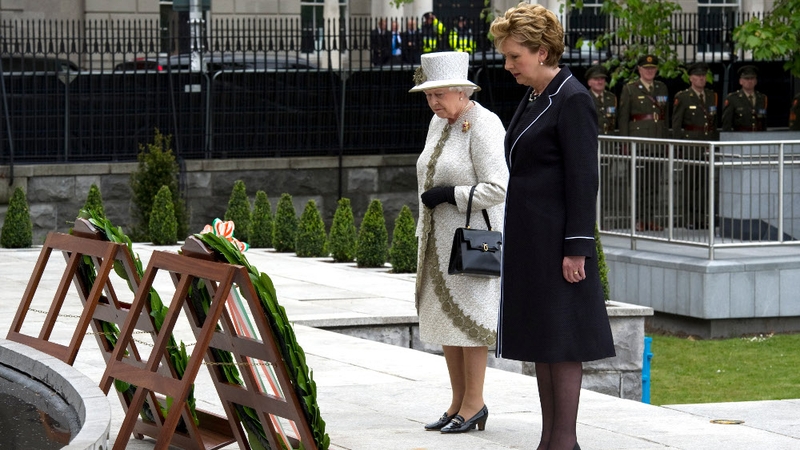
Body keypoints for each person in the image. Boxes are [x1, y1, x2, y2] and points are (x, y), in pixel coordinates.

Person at [490, 5, 615, 450]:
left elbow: (584, 178)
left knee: (562, 341)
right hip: (531, 238)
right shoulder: (537, 95)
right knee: (544, 339)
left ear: (542, 52)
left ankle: (564, 443)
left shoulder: (573, 98)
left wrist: (577, 247)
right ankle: (550, 441)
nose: (507, 66)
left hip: (559, 241)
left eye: (514, 57)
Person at [409, 51, 508, 434]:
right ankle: (456, 403)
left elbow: (499, 187)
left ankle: (475, 404)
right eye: (428, 95)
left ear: (462, 91)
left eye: (439, 94)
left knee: (470, 322)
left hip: (472, 242)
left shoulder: (484, 123)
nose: (433, 102)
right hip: (436, 240)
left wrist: (454, 194)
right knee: (446, 322)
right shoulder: (439, 124)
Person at [618, 54, 670, 232]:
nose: (650, 71)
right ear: (640, 70)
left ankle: (651, 219)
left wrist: (665, 140)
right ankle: (639, 219)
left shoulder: (661, 88)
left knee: (655, 185)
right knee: (639, 185)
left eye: (653, 68)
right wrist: (625, 143)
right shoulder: (631, 89)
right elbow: (623, 118)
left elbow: (666, 117)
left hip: (657, 142)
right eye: (646, 69)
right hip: (638, 143)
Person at [672, 62, 718, 229]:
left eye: (703, 76)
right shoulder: (684, 97)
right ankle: (689, 218)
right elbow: (677, 123)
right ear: (691, 78)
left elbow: (713, 122)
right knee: (690, 185)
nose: (701, 79)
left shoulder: (711, 95)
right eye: (698, 76)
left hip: (706, 144)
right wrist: (679, 146)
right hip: (690, 144)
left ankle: (701, 217)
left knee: (704, 185)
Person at [586, 64, 624, 228]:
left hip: (608, 147)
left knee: (606, 184)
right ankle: (592, 220)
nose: (600, 82)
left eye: (602, 79)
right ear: (589, 82)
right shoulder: (585, 97)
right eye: (596, 79)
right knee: (591, 183)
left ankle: (603, 218)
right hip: (591, 147)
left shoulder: (611, 98)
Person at [721, 65, 767, 132]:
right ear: (741, 81)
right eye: (747, 79)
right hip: (740, 138)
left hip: (758, 137)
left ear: (756, 81)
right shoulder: (733, 99)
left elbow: (763, 123)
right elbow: (727, 123)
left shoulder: (761, 98)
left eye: (752, 78)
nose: (749, 81)